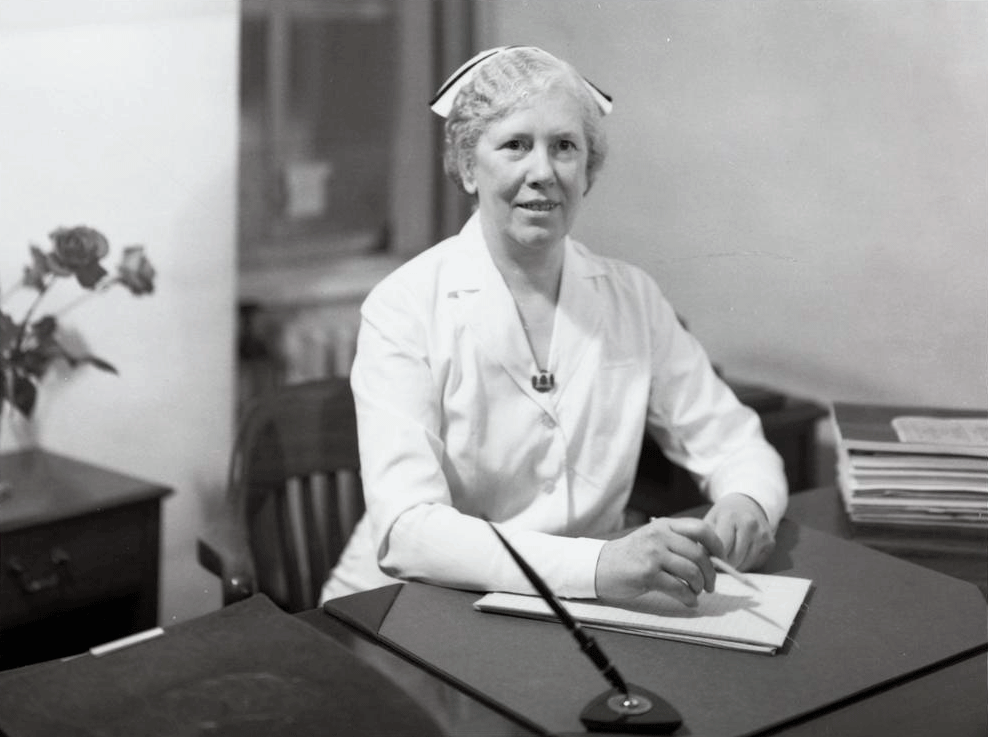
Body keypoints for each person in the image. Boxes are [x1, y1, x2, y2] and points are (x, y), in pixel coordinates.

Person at [321, 46, 786, 607]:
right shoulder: (404, 305)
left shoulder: (630, 296)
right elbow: (409, 532)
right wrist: (598, 564)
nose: (542, 172)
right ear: (469, 166)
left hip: (579, 607)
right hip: (410, 607)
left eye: (564, 147)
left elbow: (733, 440)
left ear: (587, 172)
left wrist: (747, 501)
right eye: (515, 144)